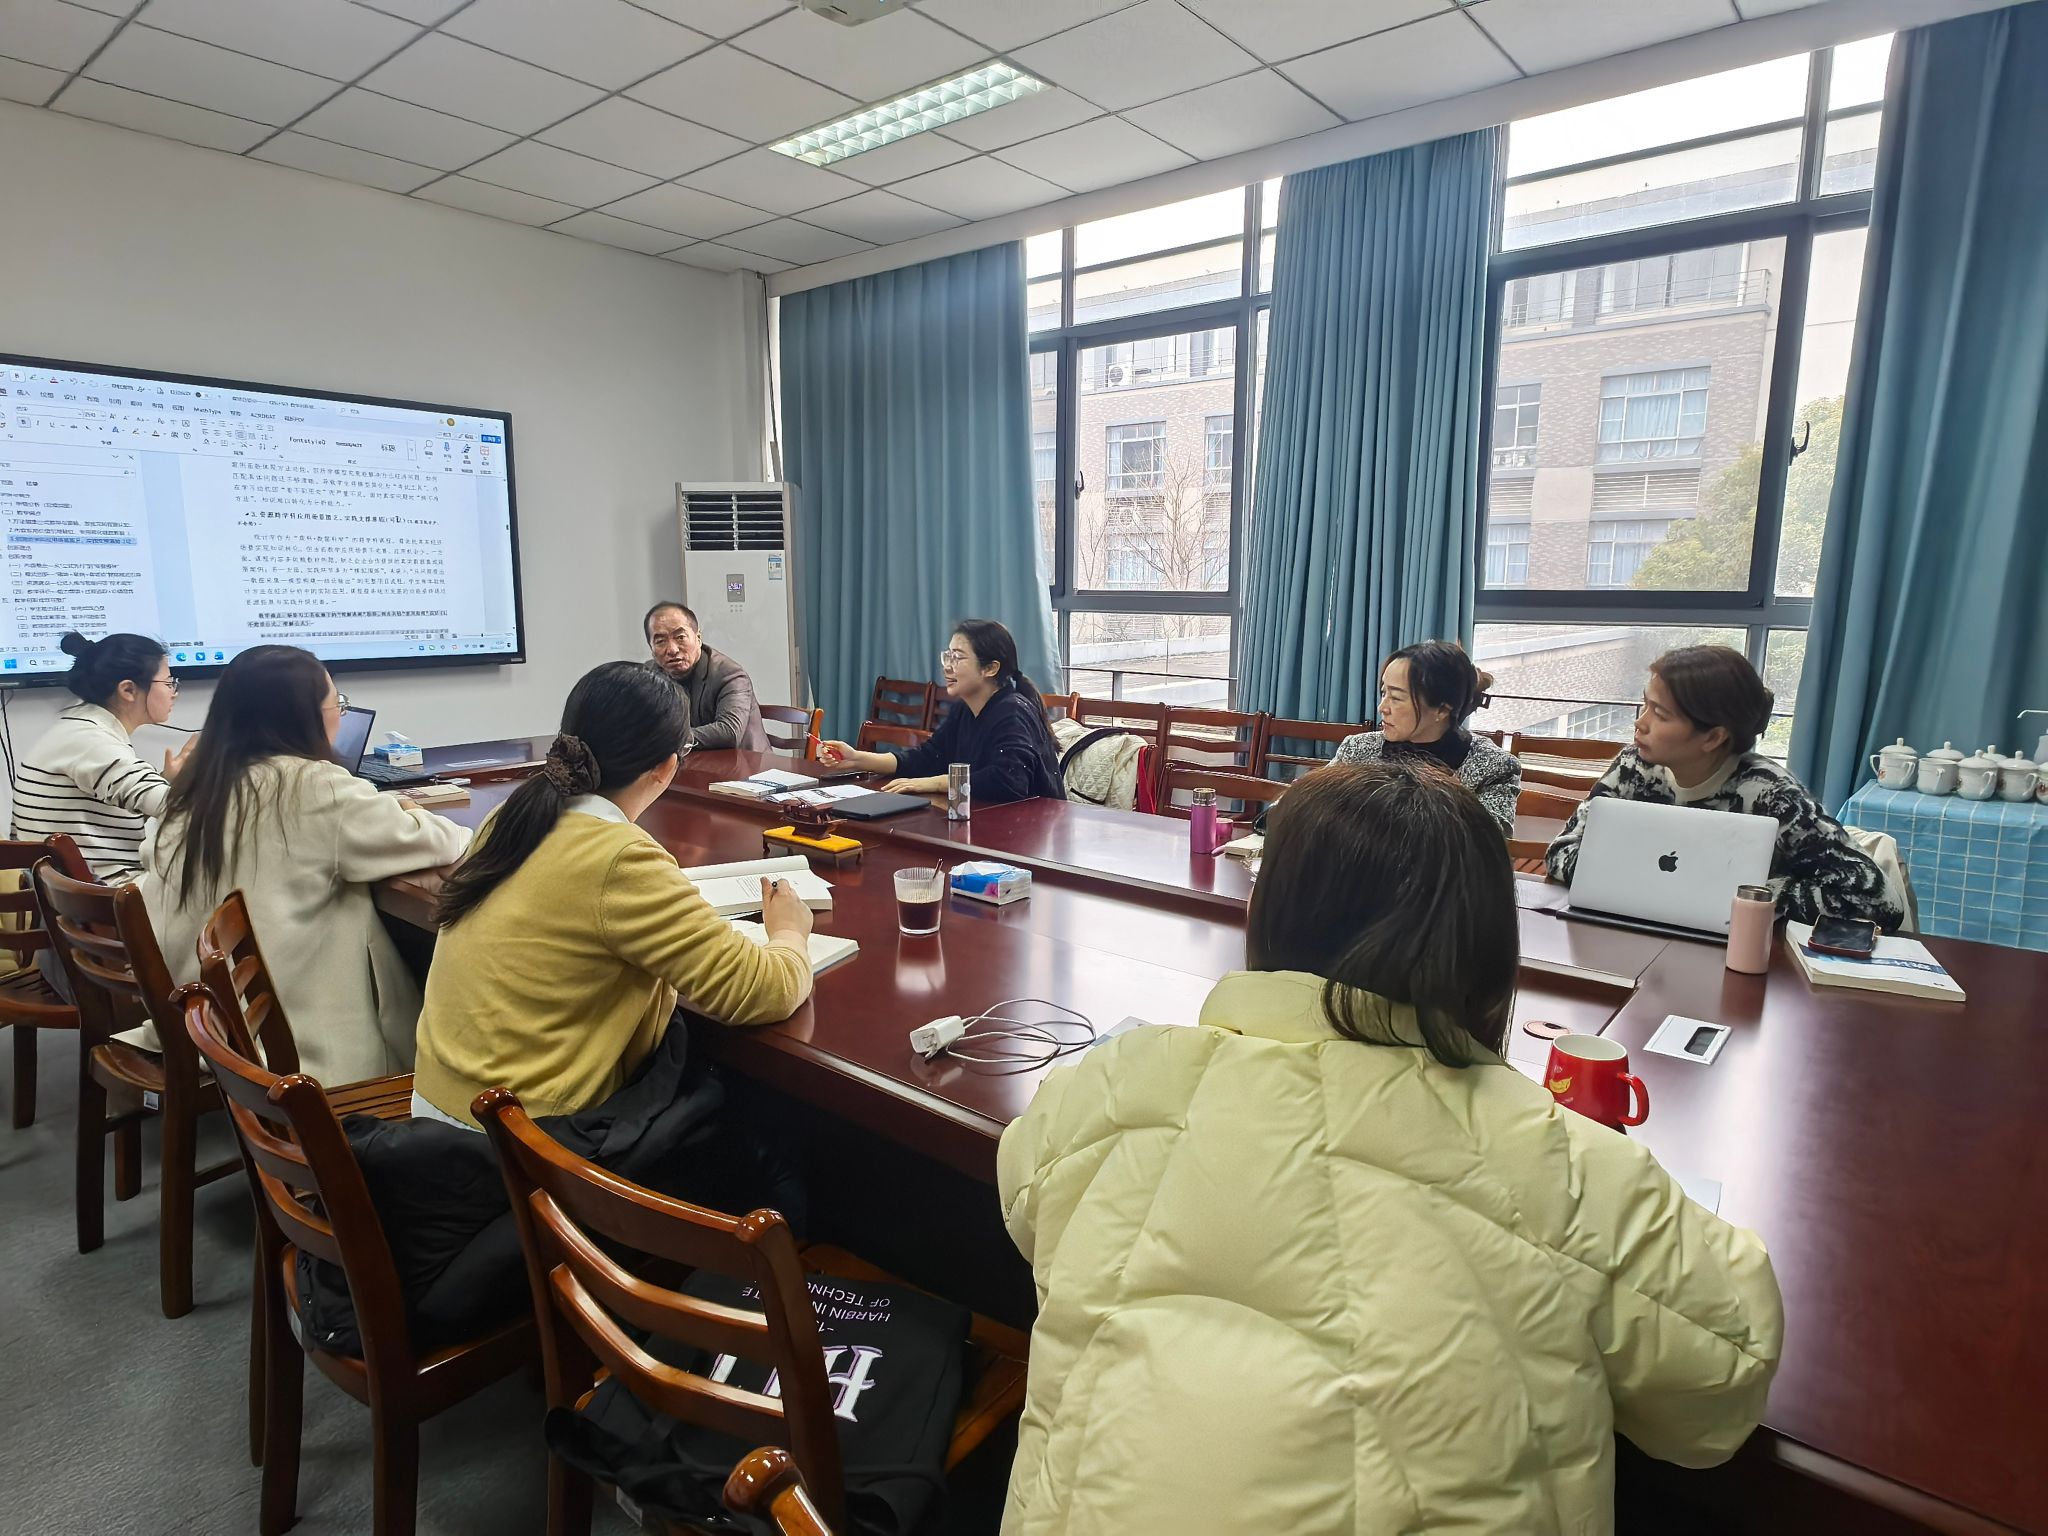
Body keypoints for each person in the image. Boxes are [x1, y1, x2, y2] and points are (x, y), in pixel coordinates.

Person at [998, 761, 1783, 1534]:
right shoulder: (1561, 1166)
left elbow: (1026, 1197)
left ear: (1267, 920)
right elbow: (1727, 1378)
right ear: (1485, 955)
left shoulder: (1112, 1085)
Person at [411, 661, 814, 1130]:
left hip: (438, 1109)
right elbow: (763, 991)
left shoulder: (509, 816)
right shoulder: (619, 858)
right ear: (667, 766)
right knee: (763, 1132)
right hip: (522, 1142)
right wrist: (789, 931)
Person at [137, 646, 471, 1084]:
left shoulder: (196, 783)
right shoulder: (311, 786)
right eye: (337, 706)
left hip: (203, 1021)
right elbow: (444, 841)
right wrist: (406, 806)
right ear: (306, 717)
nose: (339, 718)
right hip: (290, 1050)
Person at [1546, 645, 1904, 929]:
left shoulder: (1772, 794)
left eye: (1660, 714)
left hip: (1743, 954)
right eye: (1645, 704)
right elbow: (1562, 851)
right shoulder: (1634, 766)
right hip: (1646, 932)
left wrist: (1750, 895)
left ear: (1713, 737)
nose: (1640, 723)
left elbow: (1879, 903)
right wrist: (1654, 882)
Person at [10, 631, 197, 879]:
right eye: (167, 682)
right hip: (106, 894)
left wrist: (167, 779)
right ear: (128, 690)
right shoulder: (90, 741)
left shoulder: (79, 727)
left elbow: (130, 806)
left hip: (71, 891)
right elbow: (177, 808)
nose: (174, 692)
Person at [817, 619, 1063, 805]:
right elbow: (928, 757)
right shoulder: (964, 709)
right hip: (990, 820)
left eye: (957, 658)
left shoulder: (1013, 711)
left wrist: (933, 783)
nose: (947, 667)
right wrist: (856, 759)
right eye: (947, 656)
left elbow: (1008, 781)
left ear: (990, 668)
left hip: (1032, 833)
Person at [1332, 639, 1520, 834]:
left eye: (1396, 698)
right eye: (1383, 693)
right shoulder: (1357, 748)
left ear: (1442, 710)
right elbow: (1320, 811)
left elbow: (1488, 841)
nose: (1382, 708)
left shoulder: (1494, 766)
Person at [643, 601, 768, 752]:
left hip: (744, 762)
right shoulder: (649, 674)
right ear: (651, 648)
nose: (672, 649)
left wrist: (668, 739)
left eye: (680, 637)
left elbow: (729, 732)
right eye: (660, 641)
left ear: (698, 638)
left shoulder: (730, 675)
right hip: (688, 760)